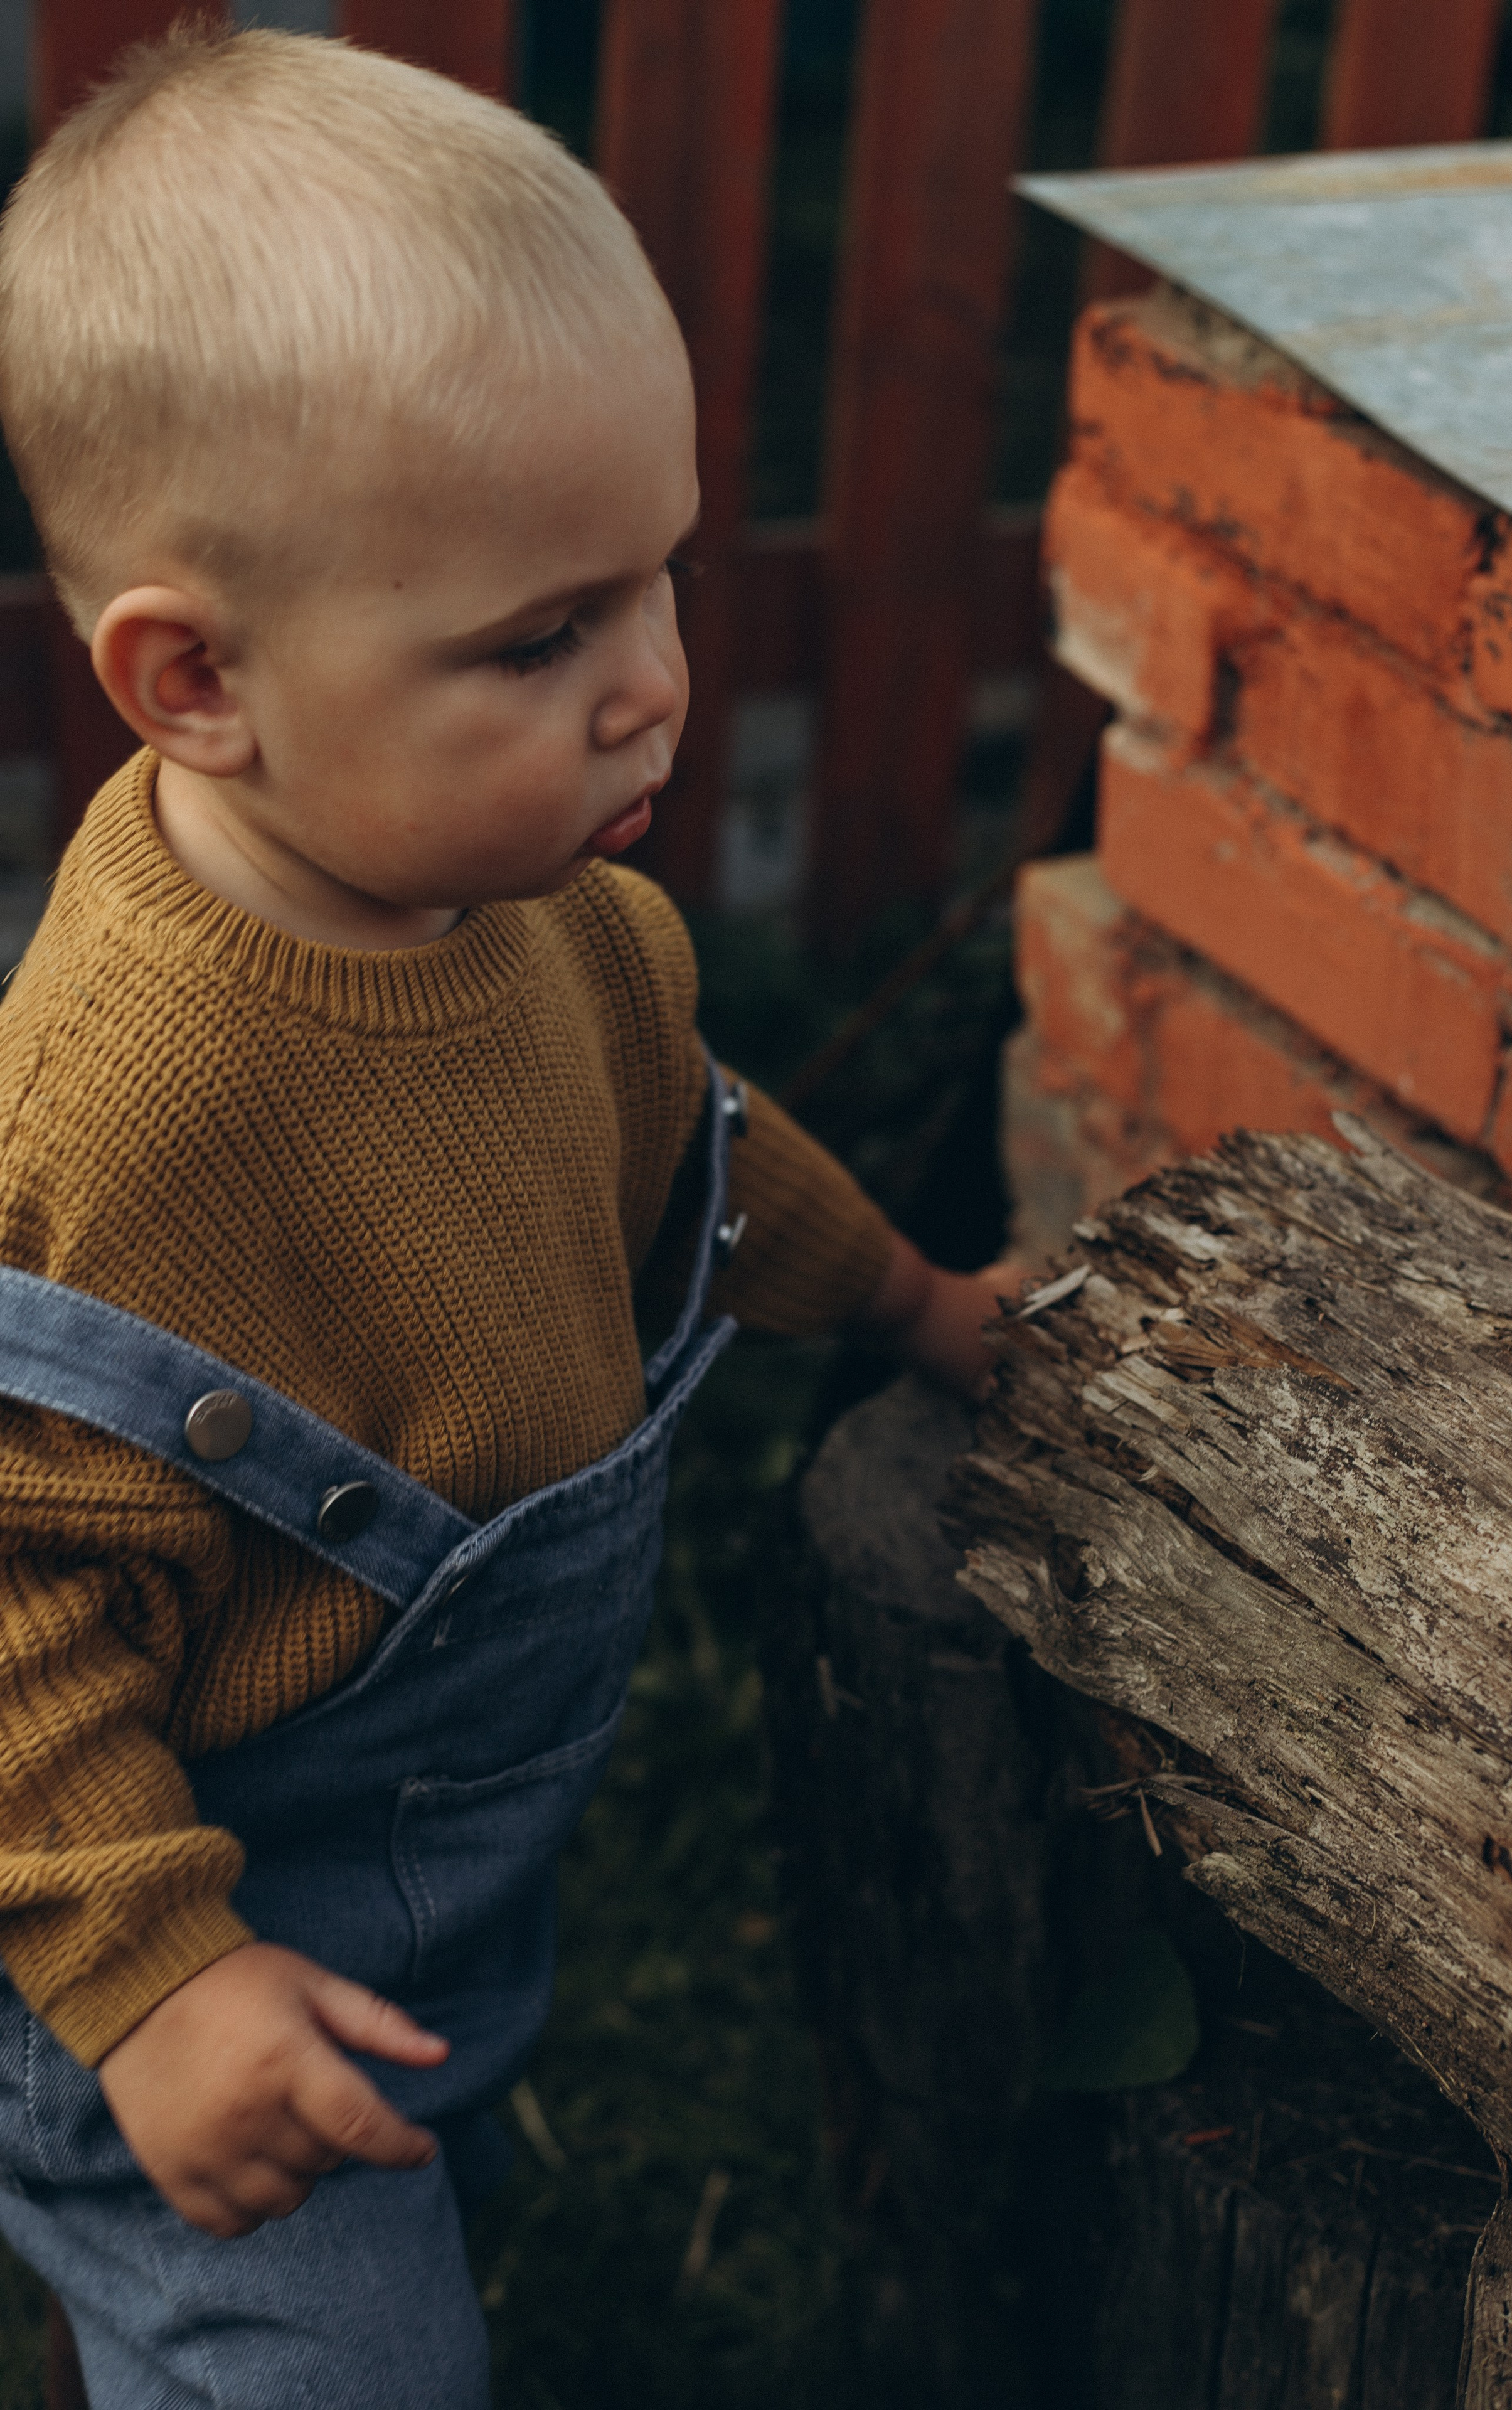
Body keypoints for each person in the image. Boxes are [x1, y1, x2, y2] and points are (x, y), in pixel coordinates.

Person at [0, 23, 1011, 2407]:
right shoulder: (130, 1116)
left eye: (655, 578)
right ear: (199, 681)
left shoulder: (568, 929)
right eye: (541, 642)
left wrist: (926, 1305)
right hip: (189, 1915)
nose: (657, 685)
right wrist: (149, 1983)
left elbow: (700, 1175)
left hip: (451, 1882)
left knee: (411, 2217)